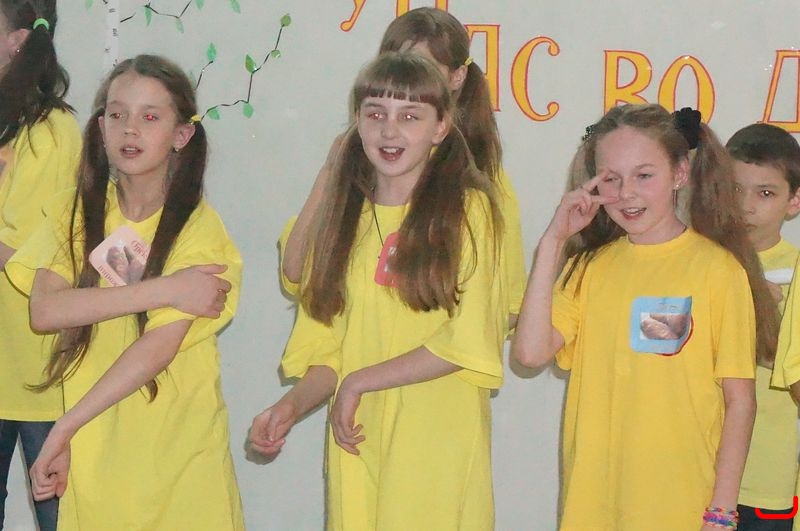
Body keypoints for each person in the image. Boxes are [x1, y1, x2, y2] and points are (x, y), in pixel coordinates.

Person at [251, 51, 508, 529]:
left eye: (410, 116)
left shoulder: (468, 211)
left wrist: (359, 382)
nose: (390, 131)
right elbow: (328, 349)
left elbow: (467, 343)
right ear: (356, 123)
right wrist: (289, 407)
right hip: (357, 439)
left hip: (435, 445)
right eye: (375, 114)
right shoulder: (344, 219)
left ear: (441, 127)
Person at [5, 54, 244, 530]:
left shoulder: (200, 231)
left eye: (150, 117)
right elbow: (46, 310)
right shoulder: (73, 212)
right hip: (95, 454)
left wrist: (65, 426)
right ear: (100, 127)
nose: (130, 129)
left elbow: (155, 349)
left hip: (180, 458)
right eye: (116, 114)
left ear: (181, 135)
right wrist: (167, 290)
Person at [512, 104, 777, 530]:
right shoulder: (588, 269)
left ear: (679, 173)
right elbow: (529, 353)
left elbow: (740, 401)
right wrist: (553, 242)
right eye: (611, 179)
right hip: (592, 505)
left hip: (682, 506)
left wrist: (722, 511)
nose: (627, 193)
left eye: (644, 175)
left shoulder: (717, 270)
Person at [279, 7, 525, 331]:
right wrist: (332, 170)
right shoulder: (357, 167)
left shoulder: (480, 188)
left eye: (421, 68)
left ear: (456, 78)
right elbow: (297, 272)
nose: (402, 79)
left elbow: (506, 308)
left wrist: (424, 346)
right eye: (393, 65)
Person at [0, 2, 80, 529]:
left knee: (61, 517)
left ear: (18, 40)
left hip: (38, 372)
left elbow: (26, 255)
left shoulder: (52, 131)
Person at [727, 123, 800, 530]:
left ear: (794, 201)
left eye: (766, 193)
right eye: (735, 189)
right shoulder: (694, 263)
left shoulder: (797, 271)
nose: (746, 206)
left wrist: (767, 324)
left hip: (766, 478)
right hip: (692, 465)